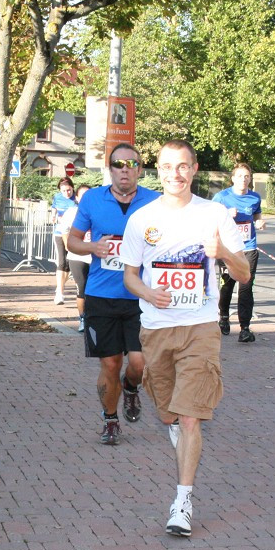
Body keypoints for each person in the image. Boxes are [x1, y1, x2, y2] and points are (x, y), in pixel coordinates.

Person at [120, 140, 250, 537]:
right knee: (168, 414)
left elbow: (244, 275)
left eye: (182, 167)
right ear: (157, 171)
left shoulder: (214, 214)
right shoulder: (142, 219)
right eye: (167, 166)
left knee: (191, 418)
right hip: (157, 328)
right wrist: (148, 292)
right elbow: (129, 275)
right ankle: (174, 425)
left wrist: (224, 251)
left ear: (194, 170)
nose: (174, 174)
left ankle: (182, 502)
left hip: (202, 327)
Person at [67, 144, 161, 446]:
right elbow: (72, 241)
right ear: (110, 169)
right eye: (118, 164)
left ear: (139, 170)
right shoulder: (93, 199)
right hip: (101, 295)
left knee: (139, 363)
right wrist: (94, 248)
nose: (125, 169)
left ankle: (131, 388)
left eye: (131, 164)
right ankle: (110, 419)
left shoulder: (155, 202)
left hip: (141, 296)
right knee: (109, 364)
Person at [213, 163, 265, 342]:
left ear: (250, 179)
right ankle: (224, 317)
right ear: (233, 178)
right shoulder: (221, 197)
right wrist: (226, 214)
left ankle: (245, 328)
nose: (243, 179)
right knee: (227, 285)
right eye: (240, 176)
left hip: (248, 247)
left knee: (246, 286)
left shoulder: (255, 198)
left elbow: (257, 215)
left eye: (247, 176)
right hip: (227, 248)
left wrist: (259, 222)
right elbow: (209, 220)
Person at [59, 184, 92, 332]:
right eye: (82, 195)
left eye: (88, 195)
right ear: (77, 198)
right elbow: (64, 231)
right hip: (77, 256)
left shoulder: (99, 211)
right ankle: (83, 318)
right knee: (82, 286)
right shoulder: (72, 212)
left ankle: (95, 317)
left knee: (95, 288)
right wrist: (68, 245)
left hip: (95, 256)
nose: (85, 198)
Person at [51, 177, 76, 305]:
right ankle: (59, 293)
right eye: (64, 191)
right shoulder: (57, 197)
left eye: (69, 190)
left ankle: (60, 286)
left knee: (69, 263)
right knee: (62, 262)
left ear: (73, 188)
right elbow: (54, 210)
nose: (67, 193)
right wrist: (53, 216)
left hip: (74, 234)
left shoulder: (77, 199)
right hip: (60, 233)